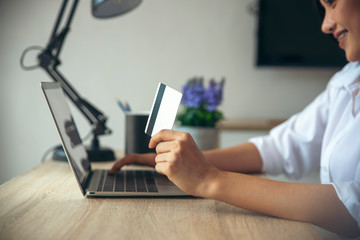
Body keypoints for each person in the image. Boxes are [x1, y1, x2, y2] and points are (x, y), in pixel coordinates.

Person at [110, 0, 360, 238]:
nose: (325, 25)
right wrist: (175, 162)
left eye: (332, 2)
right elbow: (278, 148)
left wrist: (210, 180)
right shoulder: (347, 80)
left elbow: (354, 206)